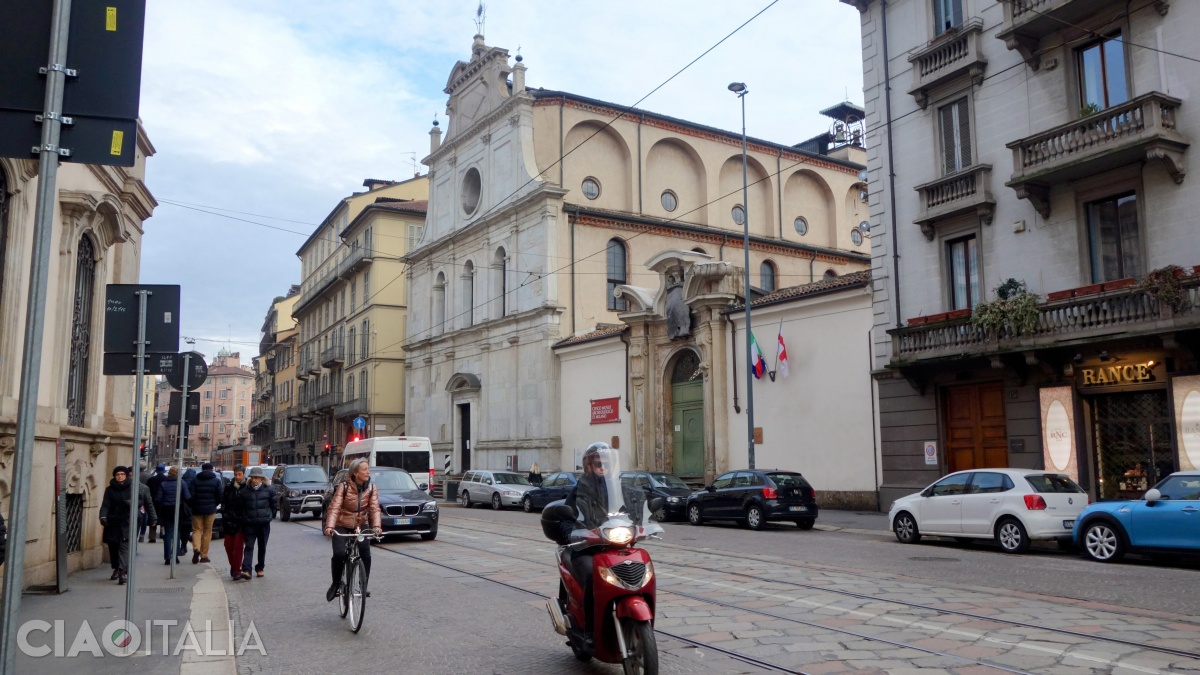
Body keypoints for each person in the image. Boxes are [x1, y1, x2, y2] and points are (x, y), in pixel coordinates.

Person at [557, 442, 615, 630]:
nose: (603, 468)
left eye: (607, 464)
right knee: (593, 575)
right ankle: (590, 629)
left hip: (614, 547)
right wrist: (570, 533)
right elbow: (566, 518)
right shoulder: (580, 489)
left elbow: (631, 510)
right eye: (599, 464)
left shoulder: (618, 488)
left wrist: (642, 523)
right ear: (589, 466)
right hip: (586, 549)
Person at [323, 458, 382, 602]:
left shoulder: (371, 488)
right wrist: (330, 527)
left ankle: (363, 584)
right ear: (355, 473)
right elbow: (335, 507)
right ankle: (336, 583)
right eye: (364, 469)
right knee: (339, 553)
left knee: (365, 552)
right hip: (342, 524)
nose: (368, 472)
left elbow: (374, 509)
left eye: (368, 469)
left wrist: (376, 527)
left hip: (360, 524)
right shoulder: (343, 487)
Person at [99, 466, 157, 584]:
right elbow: (106, 504)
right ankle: (116, 567)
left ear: (126, 476)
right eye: (117, 474)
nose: (120, 476)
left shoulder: (134, 488)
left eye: (122, 474)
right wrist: (103, 516)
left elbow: (143, 502)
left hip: (128, 521)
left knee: (124, 547)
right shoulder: (110, 489)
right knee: (113, 546)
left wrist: (132, 503)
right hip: (113, 522)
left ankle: (122, 571)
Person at [237, 466, 278, 579]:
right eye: (253, 478)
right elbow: (241, 507)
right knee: (249, 546)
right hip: (249, 524)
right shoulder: (245, 491)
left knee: (262, 546)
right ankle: (246, 570)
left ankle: (260, 568)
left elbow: (274, 506)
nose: (255, 480)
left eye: (257, 478)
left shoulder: (269, 490)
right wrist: (244, 518)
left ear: (261, 479)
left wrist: (269, 516)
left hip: (263, 524)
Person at [155, 466, 192, 565]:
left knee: (167, 534)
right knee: (177, 533)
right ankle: (175, 556)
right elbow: (188, 497)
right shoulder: (182, 483)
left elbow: (158, 498)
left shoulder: (163, 484)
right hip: (178, 510)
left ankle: (167, 557)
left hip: (166, 510)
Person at [189, 462, 224, 564]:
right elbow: (220, 495)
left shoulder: (195, 480)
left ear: (202, 469)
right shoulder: (216, 481)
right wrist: (214, 504)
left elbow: (191, 495)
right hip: (210, 509)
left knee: (196, 530)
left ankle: (196, 549)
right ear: (212, 469)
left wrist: (194, 505)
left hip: (197, 510)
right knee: (207, 531)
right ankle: (204, 556)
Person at [221, 465, 248, 580]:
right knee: (228, 546)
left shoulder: (247, 487)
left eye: (239, 474)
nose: (237, 477)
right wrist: (224, 513)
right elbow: (224, 502)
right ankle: (234, 566)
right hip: (229, 521)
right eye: (236, 474)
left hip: (241, 522)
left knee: (238, 547)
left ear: (244, 474)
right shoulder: (229, 487)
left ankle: (237, 570)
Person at [146, 464, 167, 544]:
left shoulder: (151, 480)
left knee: (153, 519)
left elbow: (148, 491)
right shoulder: (167, 479)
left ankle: (152, 537)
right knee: (164, 519)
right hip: (164, 502)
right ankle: (163, 533)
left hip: (153, 502)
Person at [180, 467, 198, 555]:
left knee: (180, 528)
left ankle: (180, 546)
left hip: (181, 509)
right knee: (187, 529)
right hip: (190, 510)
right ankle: (184, 546)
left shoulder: (181, 482)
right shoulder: (195, 483)